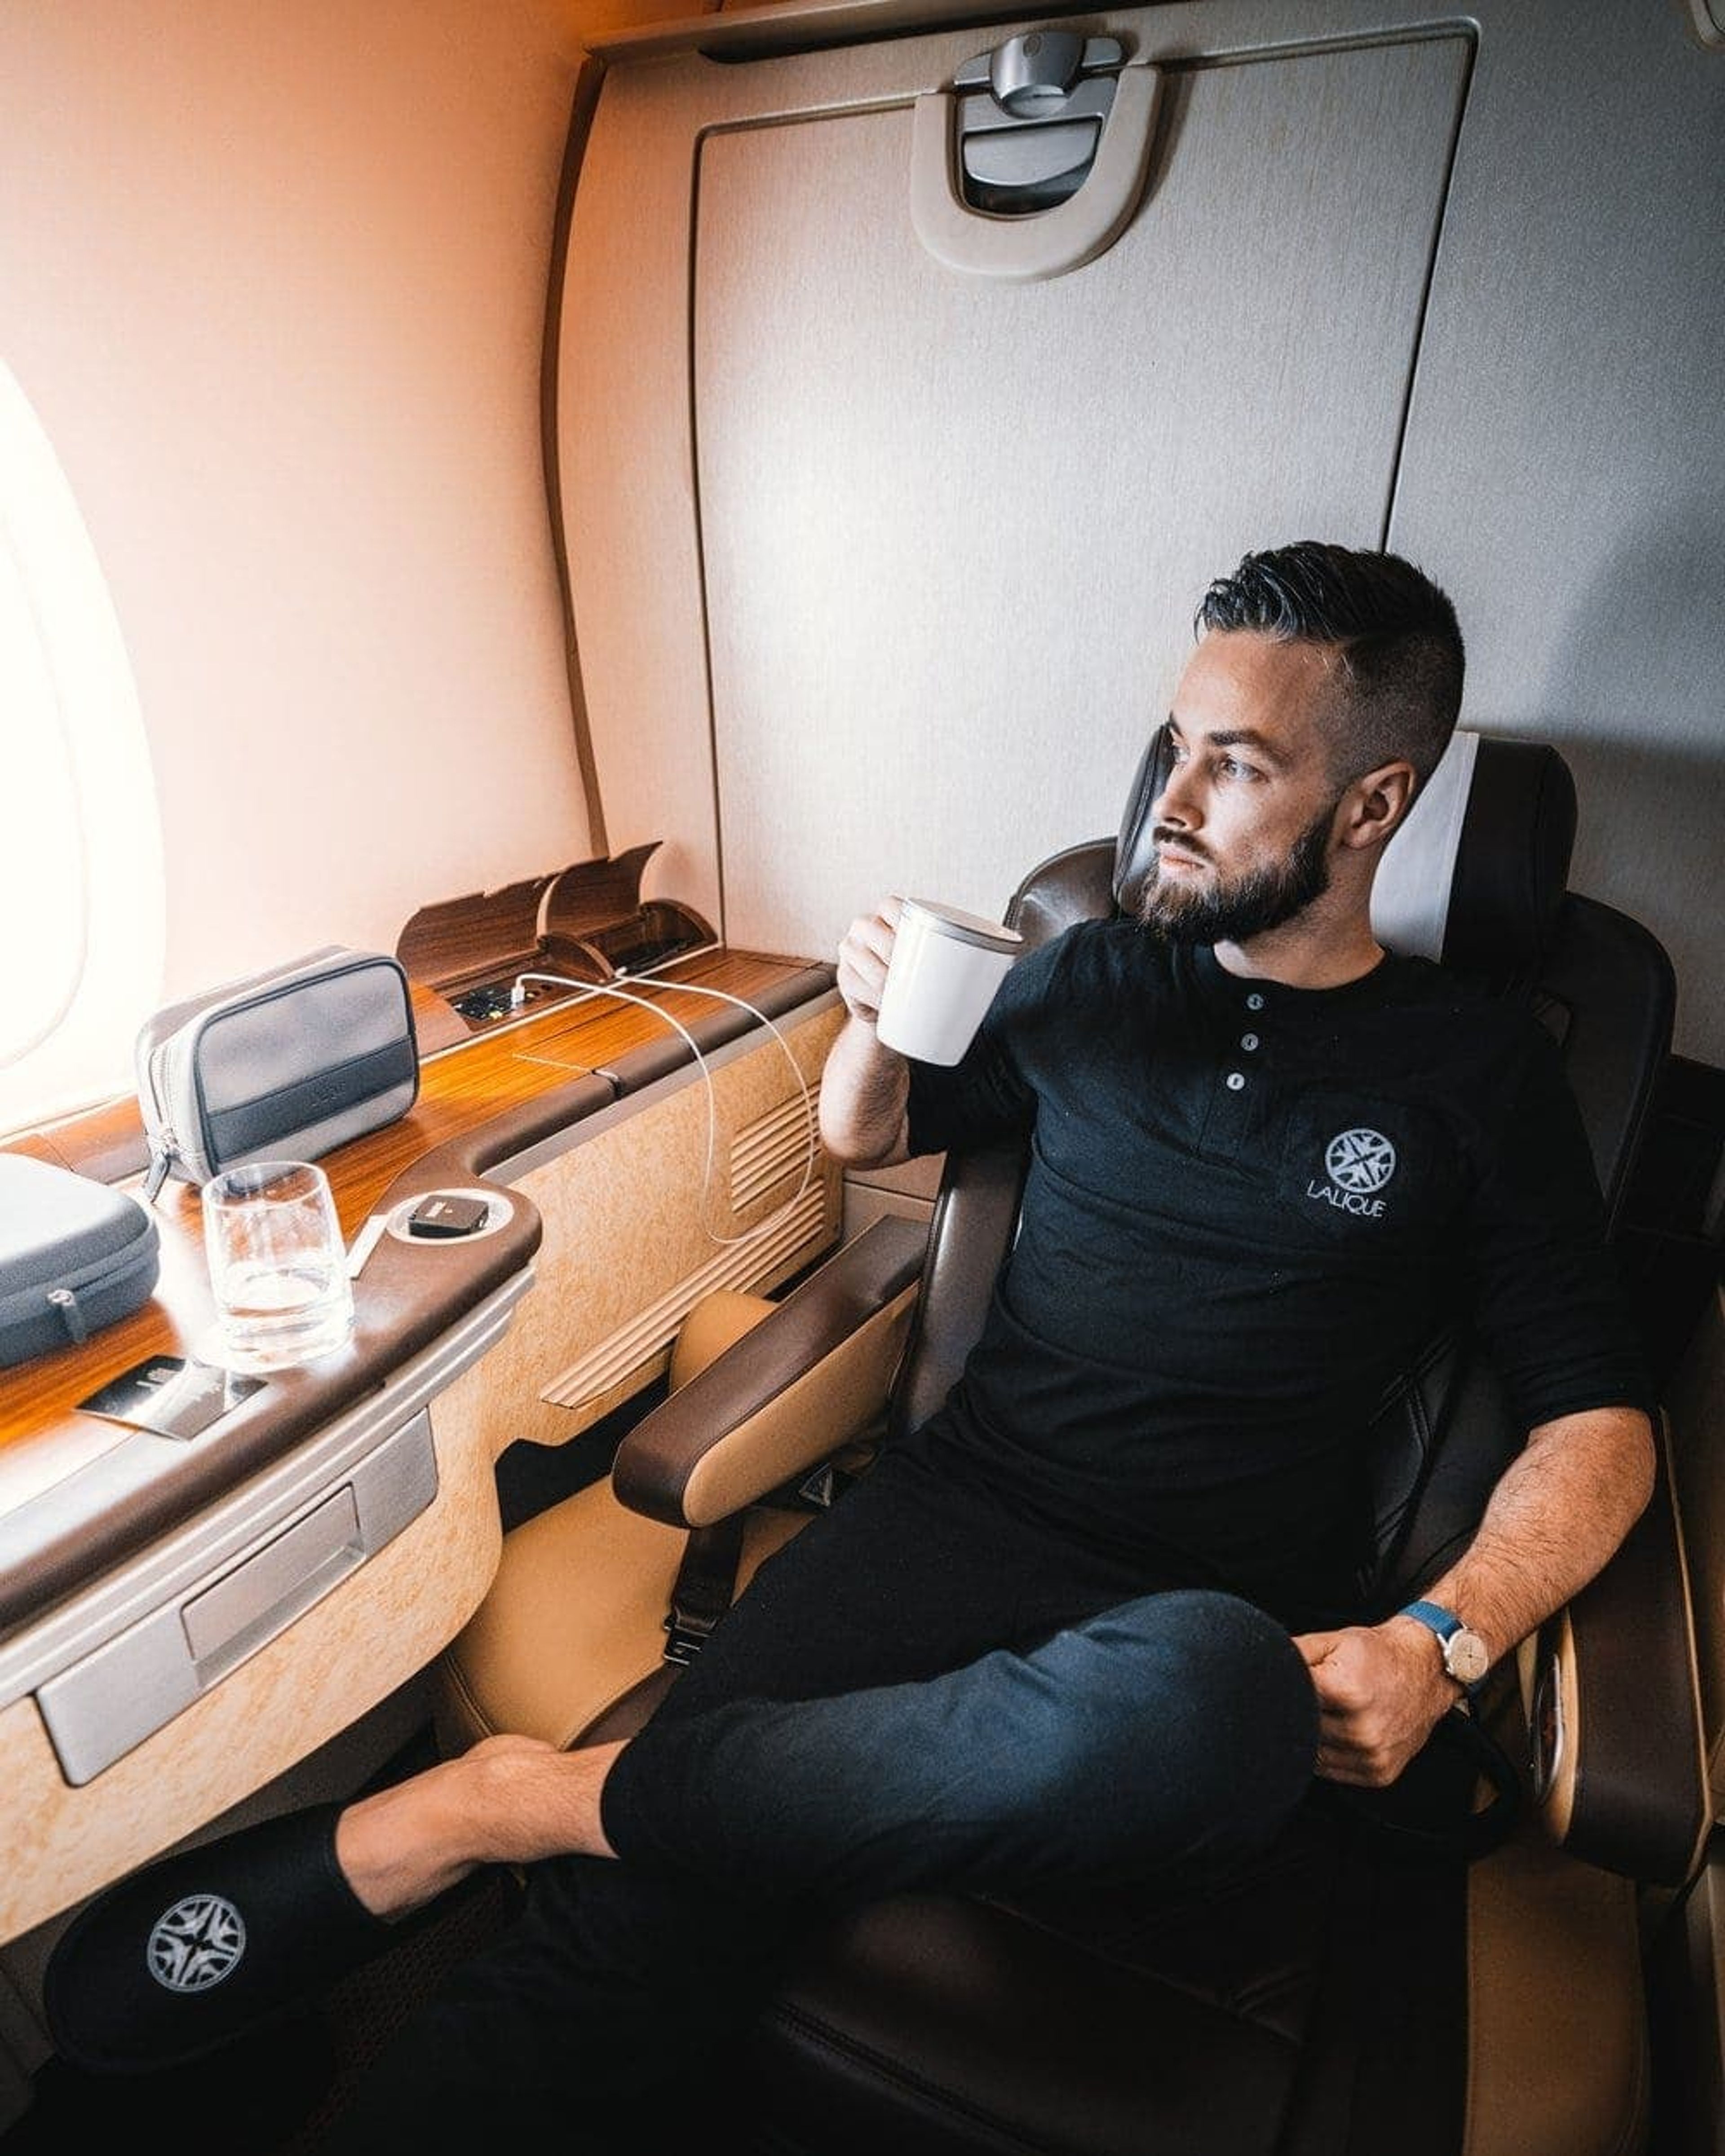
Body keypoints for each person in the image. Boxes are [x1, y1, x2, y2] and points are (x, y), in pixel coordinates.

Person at [55, 543, 1658, 2145]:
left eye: (1237, 766)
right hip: (954, 1520)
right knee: (624, 1939)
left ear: (1372, 806)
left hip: (1210, 1613)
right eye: (1176, 745)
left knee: (1219, 1704)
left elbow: (1599, 1421)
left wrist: (1443, 1640)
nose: (1169, 802)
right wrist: (878, 1024)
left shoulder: (1478, 1072)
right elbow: (869, 1135)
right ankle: (493, 1812)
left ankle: (540, 1797)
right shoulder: (1091, 974)